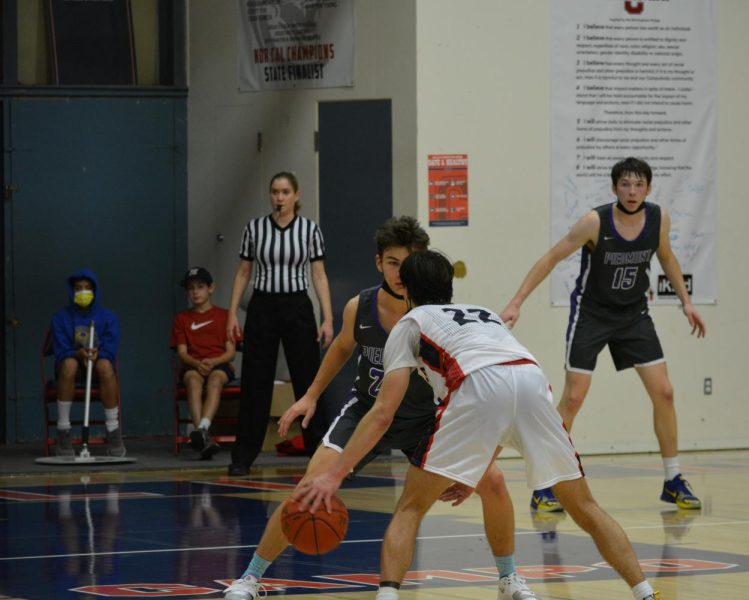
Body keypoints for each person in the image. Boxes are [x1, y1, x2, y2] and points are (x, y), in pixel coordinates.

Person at [294, 250, 659, 600]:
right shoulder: (484, 312)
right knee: (586, 507)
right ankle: (645, 593)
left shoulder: (409, 323)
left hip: (476, 383)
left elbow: (382, 413)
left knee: (410, 508)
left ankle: (388, 595)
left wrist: (334, 475)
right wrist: (475, 465)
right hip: (531, 380)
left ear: (405, 288)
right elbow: (507, 399)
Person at [223, 218, 540, 600]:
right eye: (393, 262)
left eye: (409, 262)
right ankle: (251, 578)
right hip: (368, 412)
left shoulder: (438, 313)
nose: (401, 272)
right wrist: (310, 395)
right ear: (379, 263)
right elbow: (341, 347)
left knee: (494, 481)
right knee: (309, 486)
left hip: (426, 418)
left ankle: (509, 579)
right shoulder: (361, 306)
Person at [500, 157, 706, 512]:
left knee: (665, 392)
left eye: (638, 184)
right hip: (591, 314)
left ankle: (673, 479)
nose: (631, 191)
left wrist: (686, 303)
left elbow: (668, 257)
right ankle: (546, 484)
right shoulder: (595, 222)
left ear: (648, 189)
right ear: (614, 189)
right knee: (574, 399)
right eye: (625, 184)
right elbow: (552, 257)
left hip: (633, 315)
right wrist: (517, 301)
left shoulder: (658, 218)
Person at [225, 172, 334, 476]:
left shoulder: (310, 230)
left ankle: (318, 452)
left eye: (285, 192)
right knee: (255, 381)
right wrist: (232, 313)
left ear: (296, 195)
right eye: (275, 192)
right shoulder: (255, 229)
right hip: (262, 306)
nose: (279, 197)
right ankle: (243, 456)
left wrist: (327, 318)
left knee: (309, 380)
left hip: (298, 306)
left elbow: (319, 275)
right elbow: (243, 273)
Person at [50, 268, 124, 457]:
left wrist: (99, 354)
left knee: (106, 365)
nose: (83, 292)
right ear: (72, 291)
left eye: (87, 288)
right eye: (78, 288)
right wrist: (78, 353)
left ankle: (113, 431)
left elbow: (111, 349)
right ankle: (64, 432)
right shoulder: (60, 317)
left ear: (95, 291)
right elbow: (60, 350)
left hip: (98, 369)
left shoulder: (109, 317)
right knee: (69, 364)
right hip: (73, 368)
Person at [171, 267, 237, 459]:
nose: (195, 292)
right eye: (191, 288)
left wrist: (213, 362)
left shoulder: (225, 316)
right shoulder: (181, 319)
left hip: (219, 364)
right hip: (193, 365)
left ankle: (201, 430)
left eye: (200, 286)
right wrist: (197, 363)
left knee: (215, 379)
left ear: (211, 288)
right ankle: (204, 437)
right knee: (192, 380)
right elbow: (182, 353)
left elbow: (231, 352)